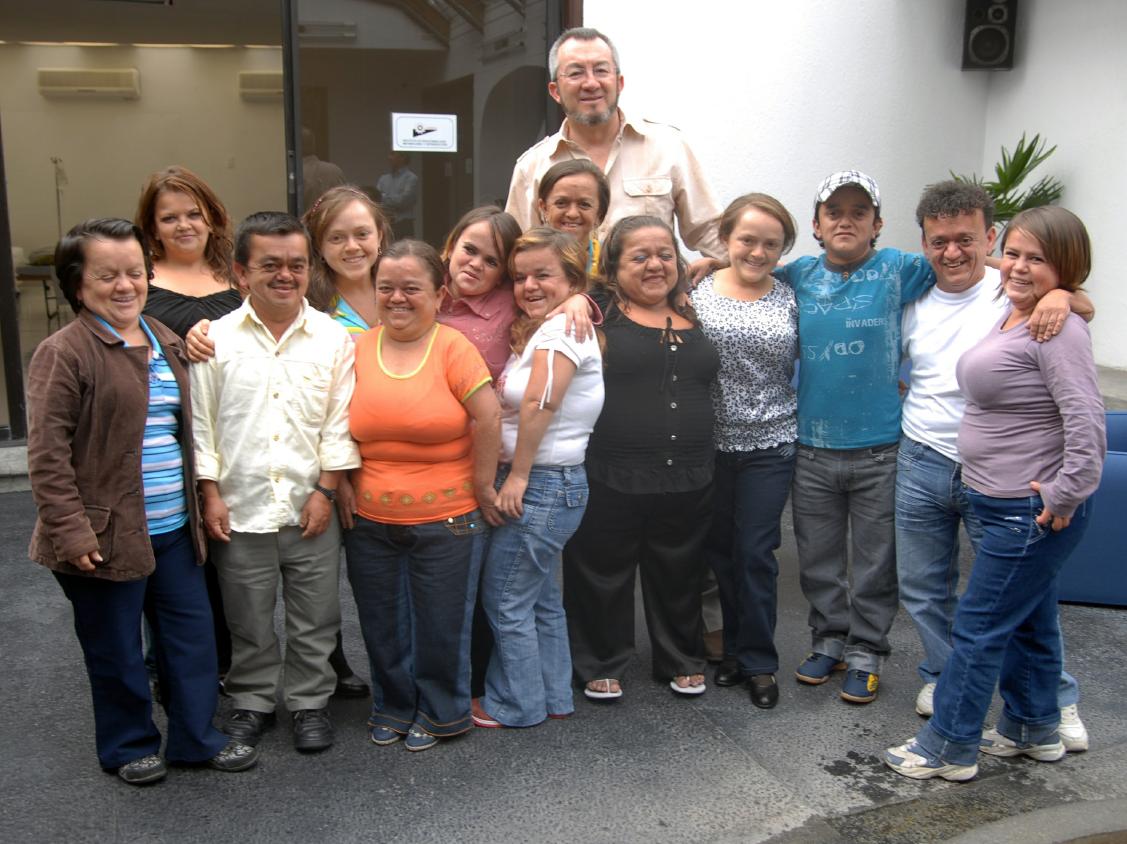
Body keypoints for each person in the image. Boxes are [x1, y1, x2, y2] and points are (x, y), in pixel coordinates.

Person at [26, 218, 257, 785]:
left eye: (135, 272)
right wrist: (72, 532)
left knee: (191, 638)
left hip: (175, 527)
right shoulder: (65, 351)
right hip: (101, 538)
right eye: (108, 275)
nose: (125, 285)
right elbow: (47, 455)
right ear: (77, 284)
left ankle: (196, 738)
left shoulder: (162, 336)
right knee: (117, 651)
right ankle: (129, 745)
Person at [885, 206, 1105, 781]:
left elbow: (1087, 422)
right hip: (995, 494)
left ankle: (947, 746)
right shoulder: (1012, 309)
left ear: (1067, 266)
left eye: (1039, 259)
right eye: (1015, 253)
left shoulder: (1058, 328)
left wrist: (1063, 494)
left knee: (980, 627)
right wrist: (1062, 295)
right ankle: (1033, 730)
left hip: (1027, 509)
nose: (1020, 266)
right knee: (1026, 621)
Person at [191, 212, 360, 753]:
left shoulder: (334, 339)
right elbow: (203, 425)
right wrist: (210, 493)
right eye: (270, 265)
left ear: (309, 270)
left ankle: (310, 702)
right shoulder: (214, 340)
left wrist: (326, 490)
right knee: (248, 617)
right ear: (241, 272)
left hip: (311, 505)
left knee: (317, 615)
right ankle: (253, 700)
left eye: (296, 264)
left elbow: (339, 421)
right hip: (238, 508)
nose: (284, 275)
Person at [342, 239, 501, 752]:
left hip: (449, 518)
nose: (397, 298)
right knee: (381, 622)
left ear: (439, 294)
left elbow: (489, 417)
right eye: (385, 287)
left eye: (412, 288)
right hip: (370, 519)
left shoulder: (453, 347)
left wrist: (482, 487)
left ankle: (442, 712)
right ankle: (392, 705)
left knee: (441, 624)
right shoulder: (359, 348)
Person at [563, 215, 719, 700]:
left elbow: (753, 259)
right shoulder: (595, 310)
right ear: (613, 266)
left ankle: (681, 657)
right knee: (601, 570)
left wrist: (715, 258)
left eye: (665, 254)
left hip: (689, 472)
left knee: (680, 569)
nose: (655, 264)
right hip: (613, 470)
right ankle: (600, 660)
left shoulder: (698, 308)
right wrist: (575, 295)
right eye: (640, 256)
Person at [473, 229, 604, 729]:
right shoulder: (556, 325)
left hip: (543, 482)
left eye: (542, 275)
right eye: (520, 276)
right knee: (541, 599)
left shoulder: (558, 333)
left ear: (571, 279)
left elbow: (541, 401)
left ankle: (516, 705)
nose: (528, 285)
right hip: (557, 483)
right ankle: (552, 696)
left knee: (505, 601)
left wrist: (518, 476)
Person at [505, 26, 725, 282]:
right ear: (555, 90)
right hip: (569, 314)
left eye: (601, 70)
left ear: (619, 82)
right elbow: (517, 253)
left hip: (652, 311)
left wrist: (744, 269)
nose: (590, 83)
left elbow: (709, 230)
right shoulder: (533, 166)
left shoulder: (668, 147)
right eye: (576, 73)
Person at [134, 165, 242, 685]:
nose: (183, 225)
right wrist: (181, 344)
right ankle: (169, 667)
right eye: (169, 217)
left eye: (193, 214)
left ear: (211, 217)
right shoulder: (141, 281)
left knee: (228, 555)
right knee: (177, 558)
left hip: (233, 432)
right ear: (152, 227)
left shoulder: (235, 275)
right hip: (169, 438)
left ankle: (224, 662)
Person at [693, 194, 798, 710]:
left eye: (771, 244)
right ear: (726, 240)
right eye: (747, 240)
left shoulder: (793, 293)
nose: (757, 252)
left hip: (770, 443)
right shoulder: (694, 291)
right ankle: (731, 651)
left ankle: (759, 661)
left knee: (756, 552)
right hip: (707, 445)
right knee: (719, 556)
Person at [536, 158, 610, 276]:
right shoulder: (525, 260)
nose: (572, 214)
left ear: (599, 213)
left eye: (584, 205)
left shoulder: (610, 265)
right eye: (561, 203)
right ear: (543, 207)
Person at [301, 126, 345, 213]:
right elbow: (344, 202)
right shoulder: (334, 170)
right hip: (331, 221)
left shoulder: (295, 173)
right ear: (313, 145)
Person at [377, 152, 419, 241]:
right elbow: (377, 200)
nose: (389, 157)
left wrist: (384, 197)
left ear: (403, 157)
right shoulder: (383, 179)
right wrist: (392, 198)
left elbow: (403, 201)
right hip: (386, 223)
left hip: (403, 224)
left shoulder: (411, 178)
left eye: (393, 154)